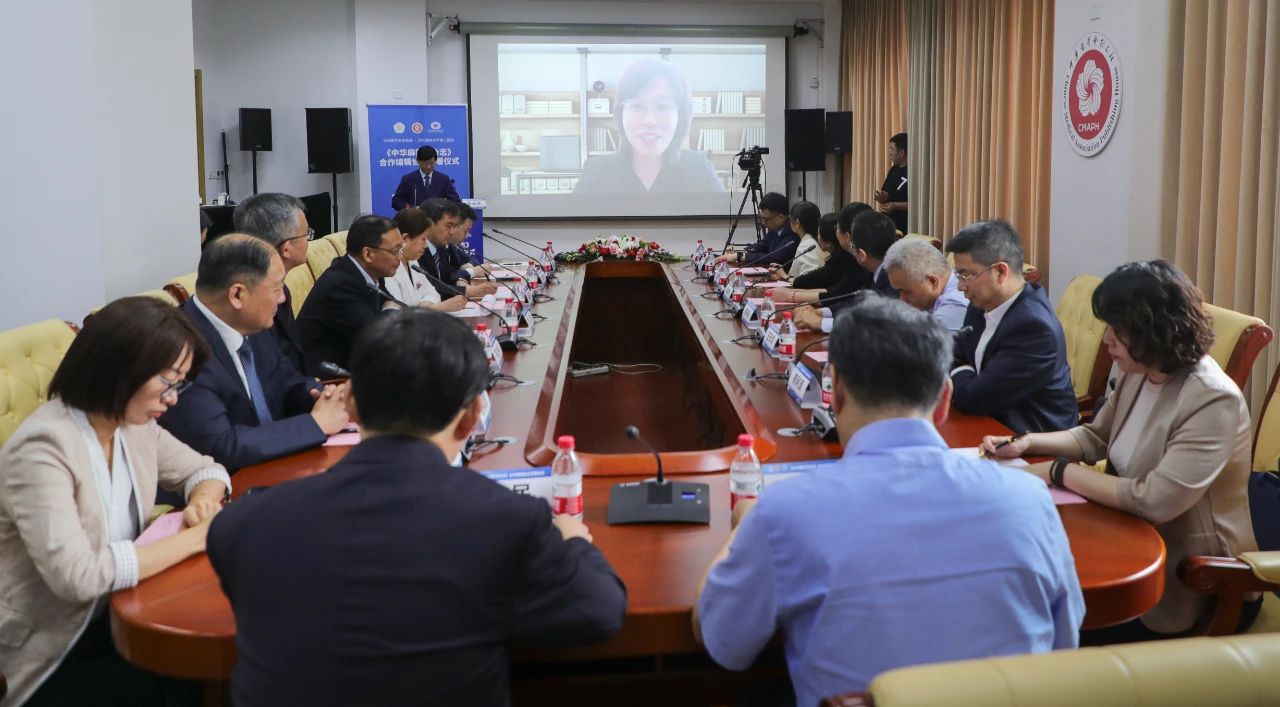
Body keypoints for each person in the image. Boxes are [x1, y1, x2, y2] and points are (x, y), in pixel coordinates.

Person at [207, 309, 628, 705]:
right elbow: (600, 613)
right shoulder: (508, 521)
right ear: (473, 417)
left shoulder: (242, 524)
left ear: (351, 404)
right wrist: (572, 540)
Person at [694, 297, 1083, 706]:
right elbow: (1064, 647)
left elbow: (723, 643)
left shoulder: (785, 511)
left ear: (835, 391)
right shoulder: (1029, 500)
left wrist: (743, 528)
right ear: (944, 400)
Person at [982, 260, 1260, 640]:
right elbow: (1095, 437)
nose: (1106, 340)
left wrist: (1057, 472)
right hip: (1127, 539)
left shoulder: (1211, 398)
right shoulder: (1142, 371)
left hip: (1194, 581)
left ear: (1154, 327)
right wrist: (1027, 442)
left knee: (1045, 622)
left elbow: (1155, 500)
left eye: (1117, 328)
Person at [0, 297, 231, 706]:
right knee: (201, 680)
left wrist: (203, 502)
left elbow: (206, 471)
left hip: (124, 613)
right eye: (168, 381)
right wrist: (195, 539)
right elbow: (78, 578)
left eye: (180, 384)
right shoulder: (43, 449)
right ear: (120, 370)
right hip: (54, 648)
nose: (173, 398)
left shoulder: (132, 424)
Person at [159, 235, 351, 472]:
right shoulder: (179, 348)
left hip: (278, 465)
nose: (282, 298)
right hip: (224, 483)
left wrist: (328, 398)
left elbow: (288, 382)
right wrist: (316, 424)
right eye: (277, 288)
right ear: (237, 295)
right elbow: (220, 446)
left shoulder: (251, 323)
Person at [946, 219, 1077, 433]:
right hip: (988, 425)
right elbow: (953, 352)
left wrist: (961, 373)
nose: (960, 286)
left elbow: (975, 398)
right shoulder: (980, 305)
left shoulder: (1034, 328)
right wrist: (965, 374)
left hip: (1030, 441)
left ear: (1000, 272)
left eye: (966, 275)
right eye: (958, 275)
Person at [573, 57, 723, 194]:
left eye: (662, 106)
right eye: (637, 106)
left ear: (681, 115)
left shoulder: (699, 170)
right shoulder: (595, 173)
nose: (649, 121)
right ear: (621, 112)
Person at [296, 214, 404, 377]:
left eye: (400, 249)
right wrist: (390, 310)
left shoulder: (370, 270)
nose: (400, 257)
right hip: (326, 379)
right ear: (368, 254)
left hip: (357, 365)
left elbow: (388, 302)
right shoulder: (340, 285)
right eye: (395, 251)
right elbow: (378, 337)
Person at [233, 192, 313, 374]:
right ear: (286, 249)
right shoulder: (249, 304)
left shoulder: (277, 287)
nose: (309, 240)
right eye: (306, 234)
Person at [790, 210, 898, 333]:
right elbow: (856, 302)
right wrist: (820, 312)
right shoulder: (875, 270)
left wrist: (820, 323)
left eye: (852, 246)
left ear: (862, 255)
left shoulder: (895, 281)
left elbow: (874, 325)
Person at [386, 207, 469, 312]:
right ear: (405, 239)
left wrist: (424, 307)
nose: (425, 246)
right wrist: (438, 308)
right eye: (423, 239)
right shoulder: (388, 269)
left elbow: (433, 293)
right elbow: (397, 315)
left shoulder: (412, 261)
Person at [416, 198, 498, 299]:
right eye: (448, 226)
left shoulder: (440, 247)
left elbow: (450, 275)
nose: (452, 232)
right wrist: (469, 291)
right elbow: (431, 286)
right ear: (429, 224)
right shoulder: (417, 252)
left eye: (454, 226)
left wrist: (461, 279)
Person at [882, 237, 967, 330]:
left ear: (933, 281)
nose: (902, 300)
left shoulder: (954, 305)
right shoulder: (934, 296)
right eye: (899, 292)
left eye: (907, 292)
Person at [391, 144, 460, 210]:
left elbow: (455, 201)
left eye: (432, 163)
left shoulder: (443, 179)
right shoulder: (408, 179)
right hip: (416, 216)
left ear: (435, 161)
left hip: (437, 217)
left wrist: (442, 209)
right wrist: (412, 209)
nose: (429, 167)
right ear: (417, 161)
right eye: (425, 163)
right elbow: (396, 202)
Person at [769, 200, 826, 280]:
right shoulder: (817, 240)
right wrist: (782, 275)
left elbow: (807, 282)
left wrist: (785, 276)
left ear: (797, 223)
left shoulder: (807, 246)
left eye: (790, 219)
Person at [739, 192, 799, 266]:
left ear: (780, 217)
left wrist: (743, 257)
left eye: (766, 219)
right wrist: (739, 252)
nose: (763, 223)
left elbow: (775, 257)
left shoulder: (793, 233)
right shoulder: (775, 229)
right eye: (762, 218)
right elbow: (761, 246)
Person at [874, 132, 908, 233]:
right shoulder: (894, 169)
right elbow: (888, 194)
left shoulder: (914, 173)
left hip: (904, 226)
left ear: (901, 152)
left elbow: (918, 203)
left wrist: (895, 205)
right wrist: (883, 198)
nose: (889, 153)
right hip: (888, 224)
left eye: (892, 149)